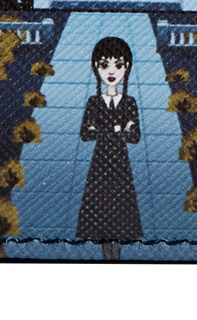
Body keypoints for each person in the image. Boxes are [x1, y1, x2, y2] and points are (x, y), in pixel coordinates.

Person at [75, 35, 143, 259]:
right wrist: (117, 130)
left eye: (118, 65)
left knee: (120, 208)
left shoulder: (129, 102)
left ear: (127, 67)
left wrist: (107, 131)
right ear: (96, 67)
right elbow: (86, 134)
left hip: (120, 163)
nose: (112, 71)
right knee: (101, 205)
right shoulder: (94, 102)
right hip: (100, 162)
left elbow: (135, 136)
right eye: (105, 65)